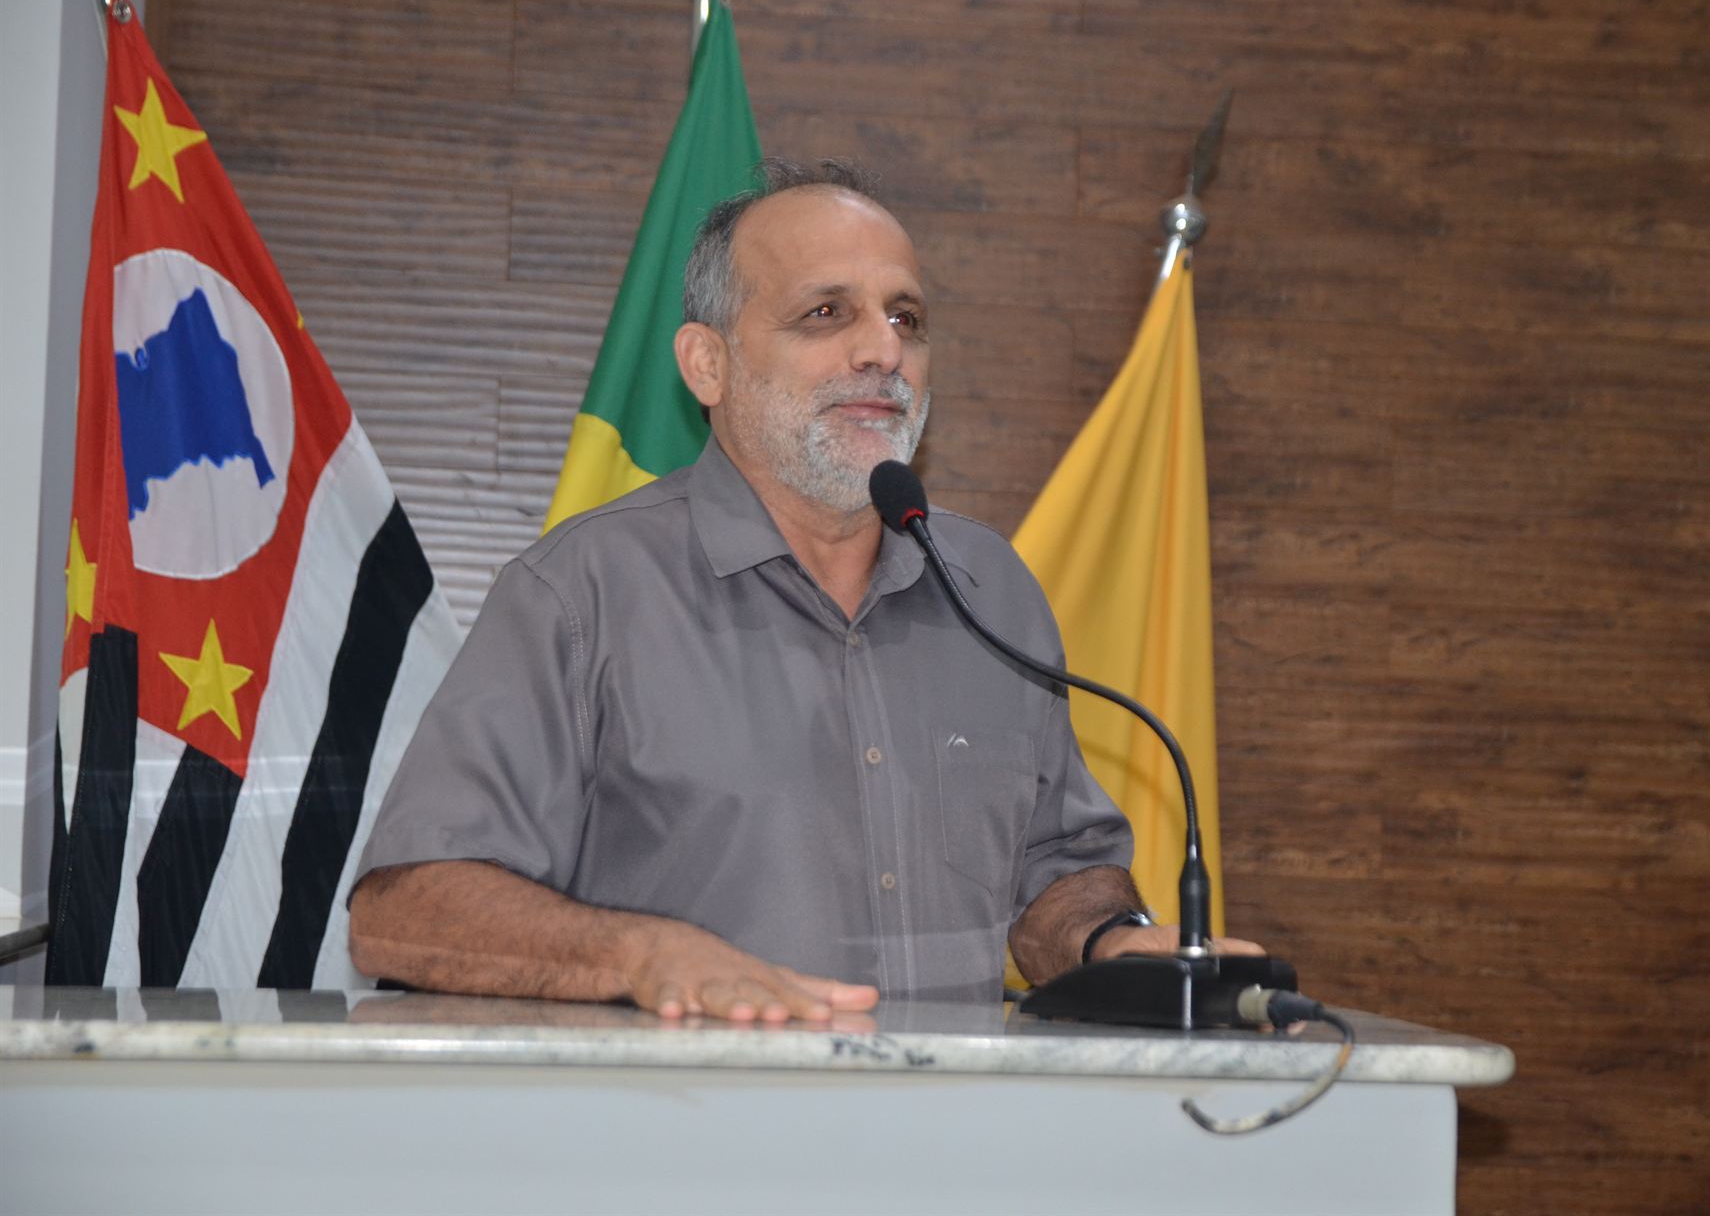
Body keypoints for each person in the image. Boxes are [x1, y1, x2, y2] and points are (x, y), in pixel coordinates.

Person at [348, 159, 1259, 1021]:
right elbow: (402, 911)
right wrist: (639, 954)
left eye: (907, 318)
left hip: (951, 1131)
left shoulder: (992, 592)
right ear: (706, 364)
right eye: (827, 312)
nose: (884, 349)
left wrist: (1112, 942)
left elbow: (1054, 870)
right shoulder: (581, 594)